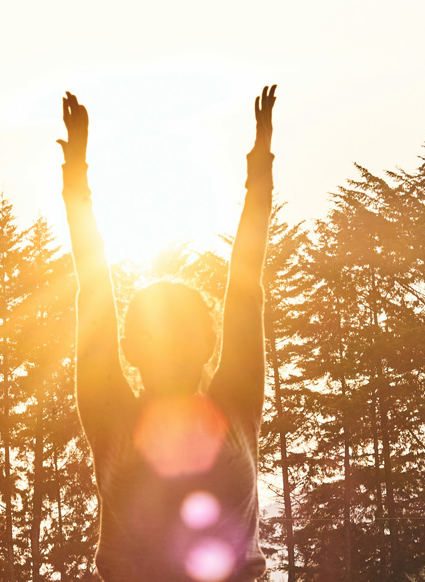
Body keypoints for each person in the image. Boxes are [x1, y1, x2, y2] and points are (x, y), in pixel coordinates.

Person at [58, 85, 277, 582]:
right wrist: (76, 180)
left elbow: (246, 290)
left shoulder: (235, 406)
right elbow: (91, 287)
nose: (171, 346)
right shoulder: (110, 414)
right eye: (156, 335)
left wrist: (259, 171)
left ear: (210, 343)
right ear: (130, 350)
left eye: (184, 332)